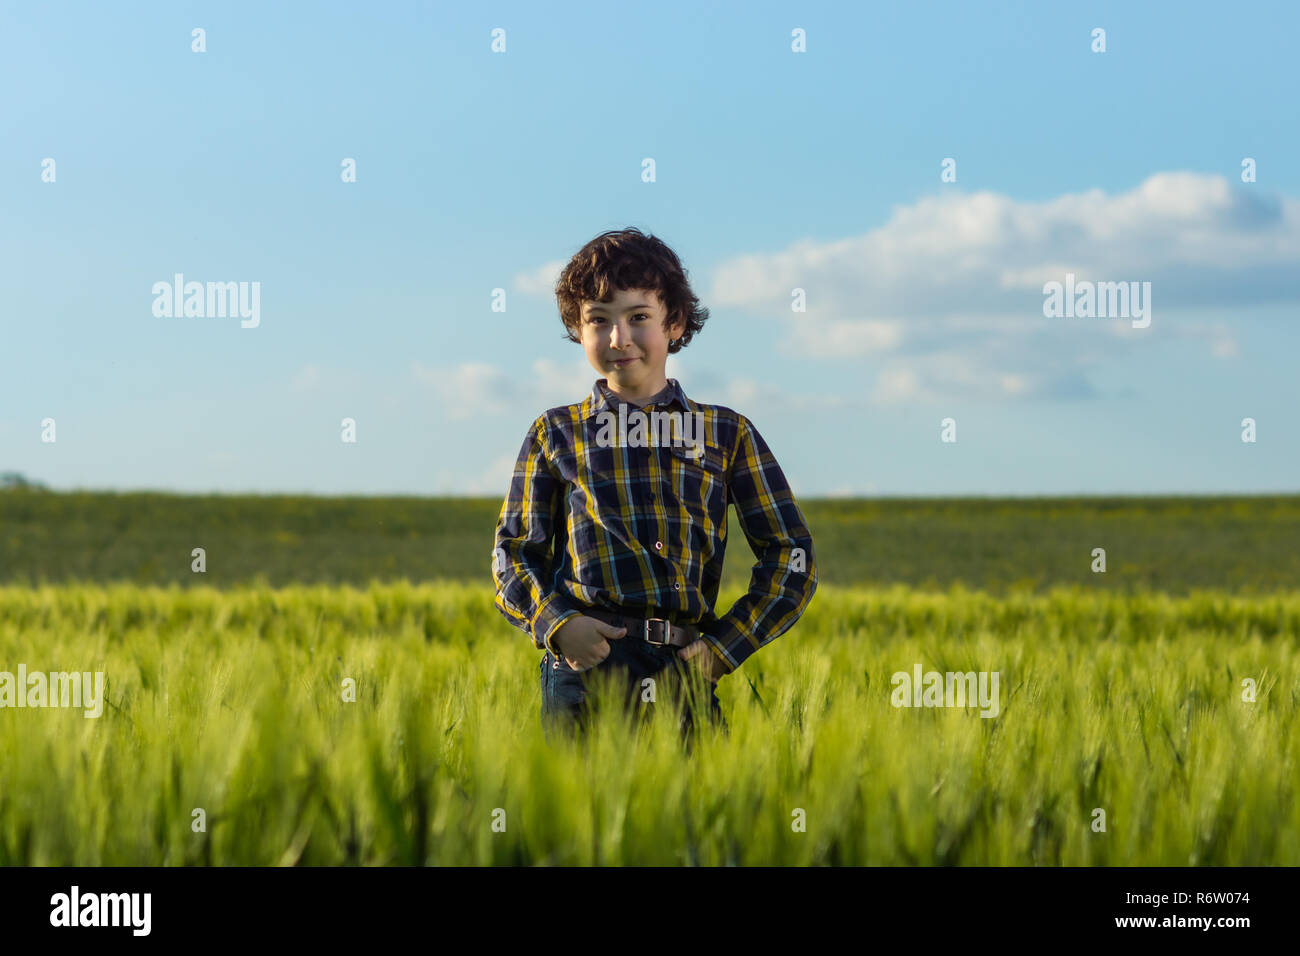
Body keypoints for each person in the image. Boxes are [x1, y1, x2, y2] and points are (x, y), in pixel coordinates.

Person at [491, 227, 818, 747]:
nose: (618, 339)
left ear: (676, 322)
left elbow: (791, 557)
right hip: (584, 673)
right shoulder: (555, 434)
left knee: (693, 826)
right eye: (599, 320)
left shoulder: (726, 434)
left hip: (683, 675)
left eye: (638, 317)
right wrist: (556, 624)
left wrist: (723, 649)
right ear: (578, 331)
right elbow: (512, 555)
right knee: (580, 825)